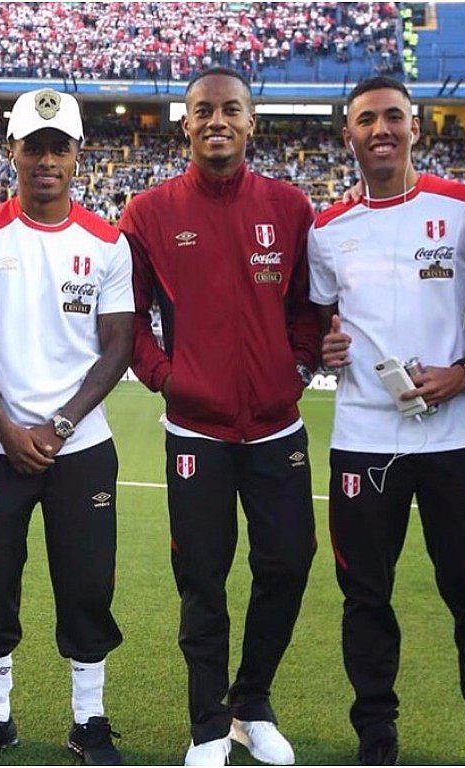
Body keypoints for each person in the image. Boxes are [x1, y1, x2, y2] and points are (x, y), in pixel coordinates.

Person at [309, 75, 465, 766]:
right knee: (366, 596)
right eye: (367, 119)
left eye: (394, 117)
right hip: (364, 441)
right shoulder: (327, 229)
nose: (382, 130)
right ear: (349, 134)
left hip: (458, 437)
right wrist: (324, 348)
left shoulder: (464, 206)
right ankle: (376, 735)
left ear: (415, 127)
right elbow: (321, 325)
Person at [119, 67, 320, 767]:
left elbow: (309, 305)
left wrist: (297, 368)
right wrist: (167, 379)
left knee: (288, 563)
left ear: (251, 121)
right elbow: (128, 318)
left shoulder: (290, 207)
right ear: (186, 123)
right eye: (203, 110)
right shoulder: (148, 212)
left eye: (231, 109)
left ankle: (251, 704)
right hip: (196, 432)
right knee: (202, 579)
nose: (217, 121)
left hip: (276, 425)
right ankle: (208, 723)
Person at [0, 88, 134, 766]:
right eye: (34, 146)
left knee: (87, 585)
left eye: (59, 147)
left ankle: (90, 719)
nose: (46, 160)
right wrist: (6, 428)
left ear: (78, 155)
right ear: (13, 151)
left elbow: (118, 346)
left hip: (81, 447)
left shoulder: (108, 242)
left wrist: (59, 425)